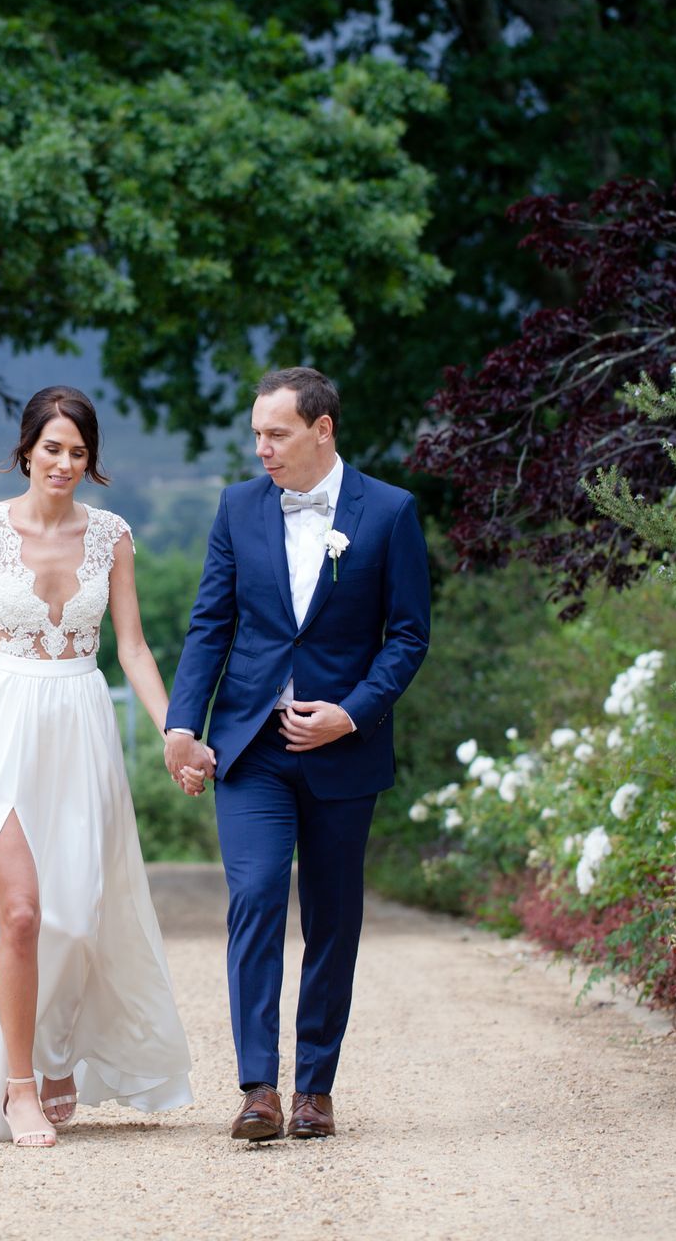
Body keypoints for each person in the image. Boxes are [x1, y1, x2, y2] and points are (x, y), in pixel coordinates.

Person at [0, 386, 195, 1147]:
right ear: (27, 449)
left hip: (80, 724)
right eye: (52, 447)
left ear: (91, 462)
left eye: (78, 452)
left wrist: (171, 731)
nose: (64, 463)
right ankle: (19, 1086)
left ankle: (57, 1056)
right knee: (20, 912)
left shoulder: (111, 536)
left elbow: (135, 648)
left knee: (76, 916)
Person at [164, 366, 430, 1142]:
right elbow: (209, 623)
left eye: (275, 434)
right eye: (256, 434)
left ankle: (314, 1087)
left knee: (332, 918)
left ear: (323, 429)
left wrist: (350, 715)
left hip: (344, 752)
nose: (262, 450)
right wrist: (186, 723)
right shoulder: (238, 507)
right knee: (252, 901)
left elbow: (408, 636)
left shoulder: (389, 512)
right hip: (251, 747)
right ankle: (257, 1090)